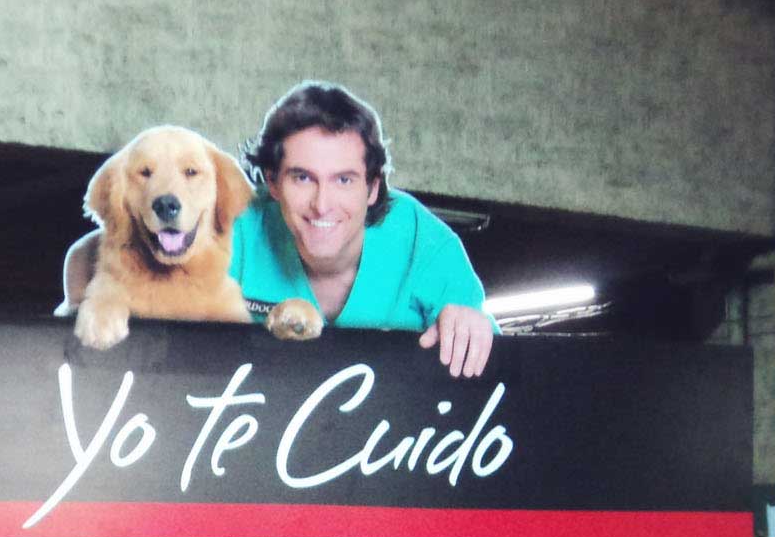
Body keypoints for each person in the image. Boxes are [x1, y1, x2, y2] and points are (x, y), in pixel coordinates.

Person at [62, 82, 494, 377]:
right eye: (302, 178)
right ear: (271, 182)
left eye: (344, 180)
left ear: (373, 187)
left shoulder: (423, 242)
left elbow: (491, 357)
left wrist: (469, 323)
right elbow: (100, 251)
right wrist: (88, 293)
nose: (322, 203)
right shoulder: (237, 224)